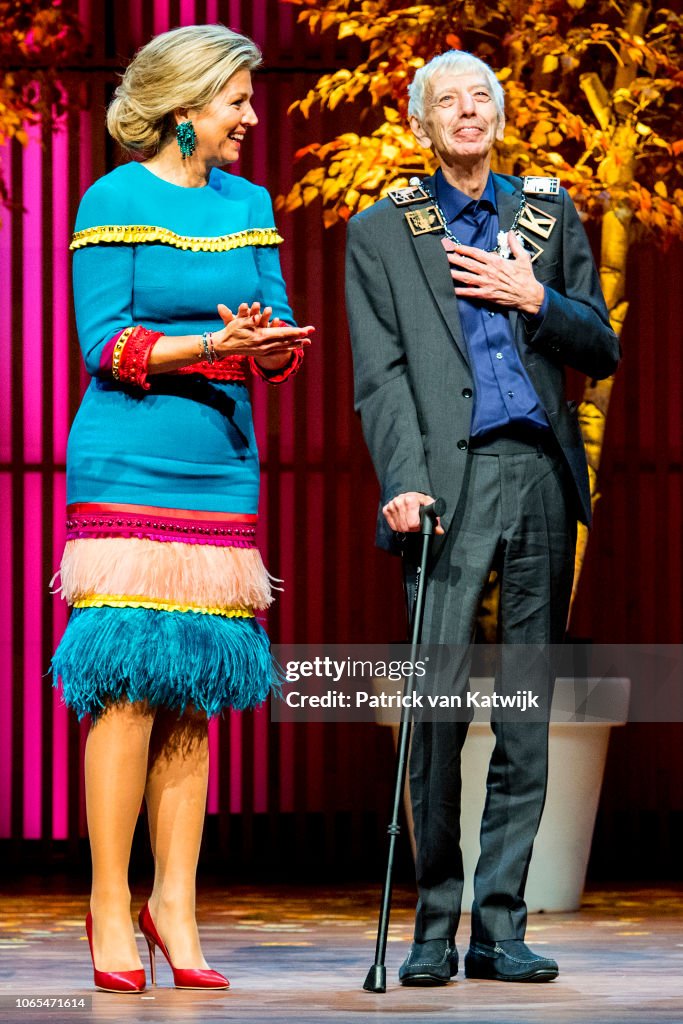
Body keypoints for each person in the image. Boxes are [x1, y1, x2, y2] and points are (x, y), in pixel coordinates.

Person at [346, 50, 619, 986]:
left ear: (500, 118)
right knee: (435, 711)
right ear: (422, 123)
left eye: (482, 100)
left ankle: (500, 925)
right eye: (447, 102)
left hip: (537, 473)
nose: (468, 113)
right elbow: (380, 374)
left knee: (525, 714)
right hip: (442, 486)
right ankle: (432, 925)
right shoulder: (383, 231)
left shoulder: (544, 215)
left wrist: (531, 295)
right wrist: (402, 477)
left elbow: (602, 343)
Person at [51, 24, 313, 994]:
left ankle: (176, 903)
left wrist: (265, 343)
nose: (251, 117)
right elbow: (105, 345)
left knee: (191, 694)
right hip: (127, 463)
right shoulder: (111, 200)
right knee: (125, 686)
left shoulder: (248, 205)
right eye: (236, 100)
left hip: (221, 465)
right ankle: (110, 904)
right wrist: (209, 349)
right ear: (184, 107)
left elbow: (276, 339)